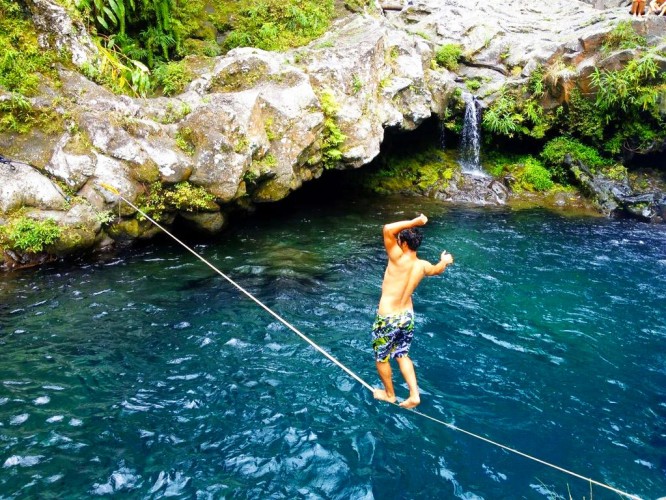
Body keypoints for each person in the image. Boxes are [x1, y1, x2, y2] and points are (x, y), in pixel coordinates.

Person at [371, 214, 454, 409]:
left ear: (405, 245)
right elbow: (437, 269)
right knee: (402, 354)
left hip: (388, 318)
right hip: (407, 317)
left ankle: (390, 395)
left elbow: (387, 228)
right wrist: (445, 261)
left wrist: (415, 222)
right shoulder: (422, 266)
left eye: (399, 241)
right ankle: (414, 394)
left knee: (381, 358)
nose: (396, 243)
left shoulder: (397, 258)